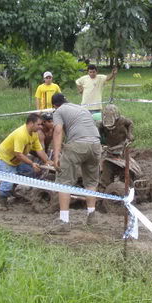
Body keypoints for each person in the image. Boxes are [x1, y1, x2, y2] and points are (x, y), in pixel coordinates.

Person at [48, 92, 102, 234]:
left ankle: (64, 222)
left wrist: (56, 155)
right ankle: (92, 217)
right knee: (91, 182)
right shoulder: (81, 108)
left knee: (63, 182)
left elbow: (58, 131)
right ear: (66, 100)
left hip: (78, 144)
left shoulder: (58, 111)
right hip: (96, 144)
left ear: (54, 105)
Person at [0, 113, 54, 208]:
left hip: (15, 160)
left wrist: (47, 161)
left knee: (30, 171)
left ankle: (12, 190)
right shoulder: (21, 134)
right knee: (8, 179)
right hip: (4, 159)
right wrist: (32, 163)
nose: (40, 127)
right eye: (38, 124)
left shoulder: (34, 134)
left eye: (41, 124)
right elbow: (19, 154)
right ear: (31, 123)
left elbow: (39, 150)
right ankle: (2, 200)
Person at [98, 103, 137, 189]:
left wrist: (129, 134)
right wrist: (99, 141)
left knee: (124, 164)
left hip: (121, 145)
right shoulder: (101, 124)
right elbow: (98, 134)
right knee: (107, 166)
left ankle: (126, 181)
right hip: (110, 147)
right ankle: (105, 185)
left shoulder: (122, 120)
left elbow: (130, 123)